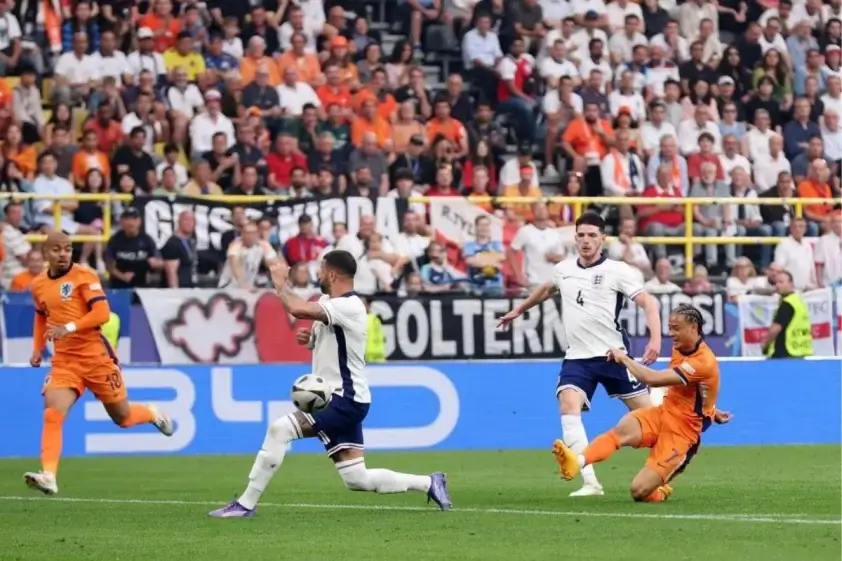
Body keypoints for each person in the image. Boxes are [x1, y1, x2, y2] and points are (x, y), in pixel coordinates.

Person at [209, 251, 451, 518]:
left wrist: (280, 283)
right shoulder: (329, 302)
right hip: (344, 398)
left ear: (333, 274)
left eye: (322, 269)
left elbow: (298, 308)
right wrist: (310, 339)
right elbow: (331, 339)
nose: (318, 274)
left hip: (343, 397)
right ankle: (429, 483)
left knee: (280, 430)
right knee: (357, 478)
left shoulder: (351, 306)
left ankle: (245, 504)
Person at [497, 212, 662, 497]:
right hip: (578, 357)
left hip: (613, 356)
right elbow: (547, 288)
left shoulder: (618, 270)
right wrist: (519, 310)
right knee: (567, 405)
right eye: (581, 235)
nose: (586, 241)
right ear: (575, 238)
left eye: (592, 235)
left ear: (602, 239)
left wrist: (655, 339)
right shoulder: (563, 269)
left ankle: (663, 470)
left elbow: (648, 302)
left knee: (652, 419)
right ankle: (590, 482)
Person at [24, 232, 173, 495]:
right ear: (45, 253)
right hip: (65, 362)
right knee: (52, 413)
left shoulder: (84, 276)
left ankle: (152, 413)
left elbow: (102, 313)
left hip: (96, 359)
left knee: (123, 418)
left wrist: (69, 327)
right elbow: (40, 316)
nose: (63, 254)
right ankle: (48, 475)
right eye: (57, 249)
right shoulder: (38, 285)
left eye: (68, 249)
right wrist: (36, 349)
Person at [553, 304, 732, 503]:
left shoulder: (703, 362)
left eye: (676, 328)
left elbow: (652, 379)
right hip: (664, 414)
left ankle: (661, 490)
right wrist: (711, 410)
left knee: (639, 491)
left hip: (683, 433)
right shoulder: (680, 347)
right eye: (670, 328)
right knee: (622, 430)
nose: (671, 334)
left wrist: (624, 359)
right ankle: (576, 462)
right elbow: (696, 390)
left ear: (694, 327)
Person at [760, 270, 814, 359]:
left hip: (785, 352)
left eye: (781, 282)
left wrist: (765, 344)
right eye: (776, 283)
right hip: (801, 351)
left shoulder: (787, 303)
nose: (777, 285)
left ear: (791, 283)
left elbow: (775, 329)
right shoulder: (798, 300)